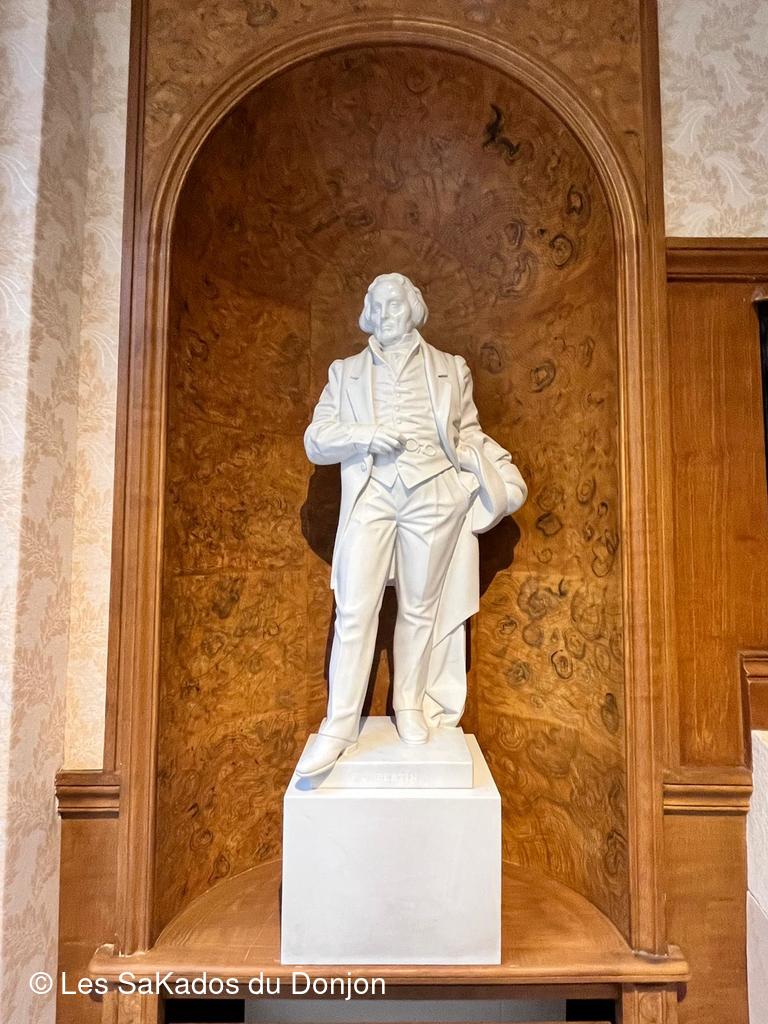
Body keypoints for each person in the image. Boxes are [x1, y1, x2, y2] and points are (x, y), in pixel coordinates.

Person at [297, 273, 527, 778]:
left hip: (433, 495)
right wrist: (363, 435)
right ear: (367, 313)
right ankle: (340, 723)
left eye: (395, 304)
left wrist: (469, 481)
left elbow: (467, 433)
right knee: (355, 608)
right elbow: (316, 440)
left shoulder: (451, 368)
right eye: (377, 306)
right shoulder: (345, 372)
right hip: (372, 495)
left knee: (420, 608)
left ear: (414, 308)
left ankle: (408, 704)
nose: (386, 314)